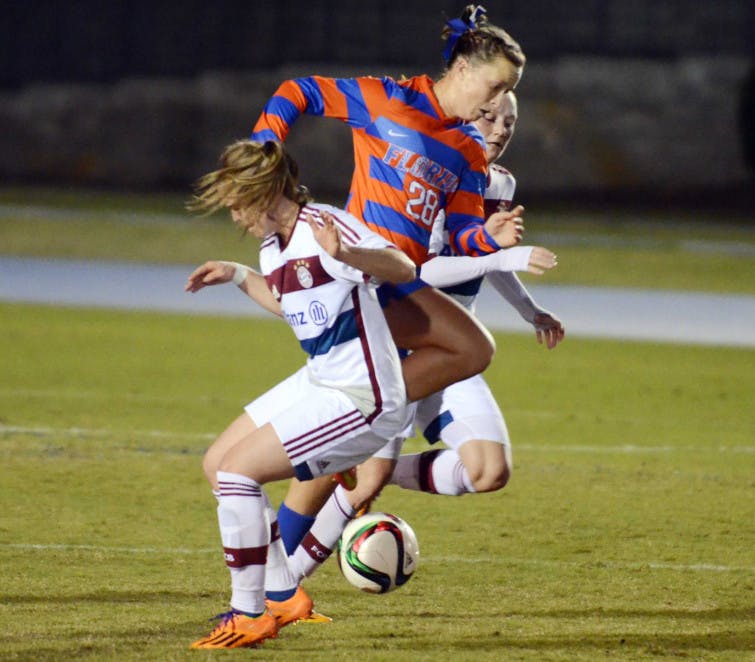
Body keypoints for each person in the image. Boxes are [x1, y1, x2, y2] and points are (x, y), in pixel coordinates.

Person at [246, 4, 533, 611]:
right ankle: (272, 589)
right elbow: (297, 90)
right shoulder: (384, 98)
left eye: (508, 92)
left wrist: (494, 242)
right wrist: (264, 146)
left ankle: (279, 589)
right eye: (495, 86)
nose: (497, 104)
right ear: (460, 68)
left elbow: (461, 234)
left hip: (400, 293)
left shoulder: (469, 154)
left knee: (373, 456)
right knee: (333, 464)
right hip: (360, 292)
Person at [279, 90, 566, 587]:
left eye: (510, 123)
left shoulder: (499, 182)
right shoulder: (434, 174)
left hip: (453, 348)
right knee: (352, 478)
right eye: (489, 116)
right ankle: (282, 588)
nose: (500, 129)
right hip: (398, 345)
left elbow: (483, 257)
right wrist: (501, 255)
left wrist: (529, 310)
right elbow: (421, 270)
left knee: (488, 471)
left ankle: (369, 473)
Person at [183, 139, 416, 650]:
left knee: (238, 473)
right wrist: (239, 275)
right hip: (321, 376)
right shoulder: (272, 247)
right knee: (218, 463)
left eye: (237, 205)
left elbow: (402, 267)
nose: (235, 218)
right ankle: (284, 593)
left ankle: (251, 613)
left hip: (363, 397)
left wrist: (347, 253)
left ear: (263, 193)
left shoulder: (323, 225)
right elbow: (294, 307)